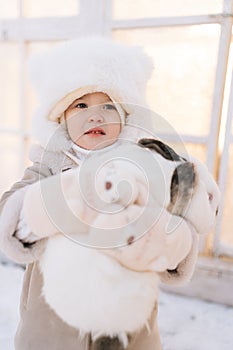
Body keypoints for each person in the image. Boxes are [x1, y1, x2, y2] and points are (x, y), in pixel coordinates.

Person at [0, 36, 214, 350]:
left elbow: (181, 240)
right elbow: (10, 216)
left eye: (108, 106)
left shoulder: (148, 168)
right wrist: (70, 197)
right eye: (81, 105)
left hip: (132, 332)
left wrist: (162, 233)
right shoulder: (45, 169)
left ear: (125, 117)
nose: (96, 115)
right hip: (53, 332)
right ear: (60, 118)